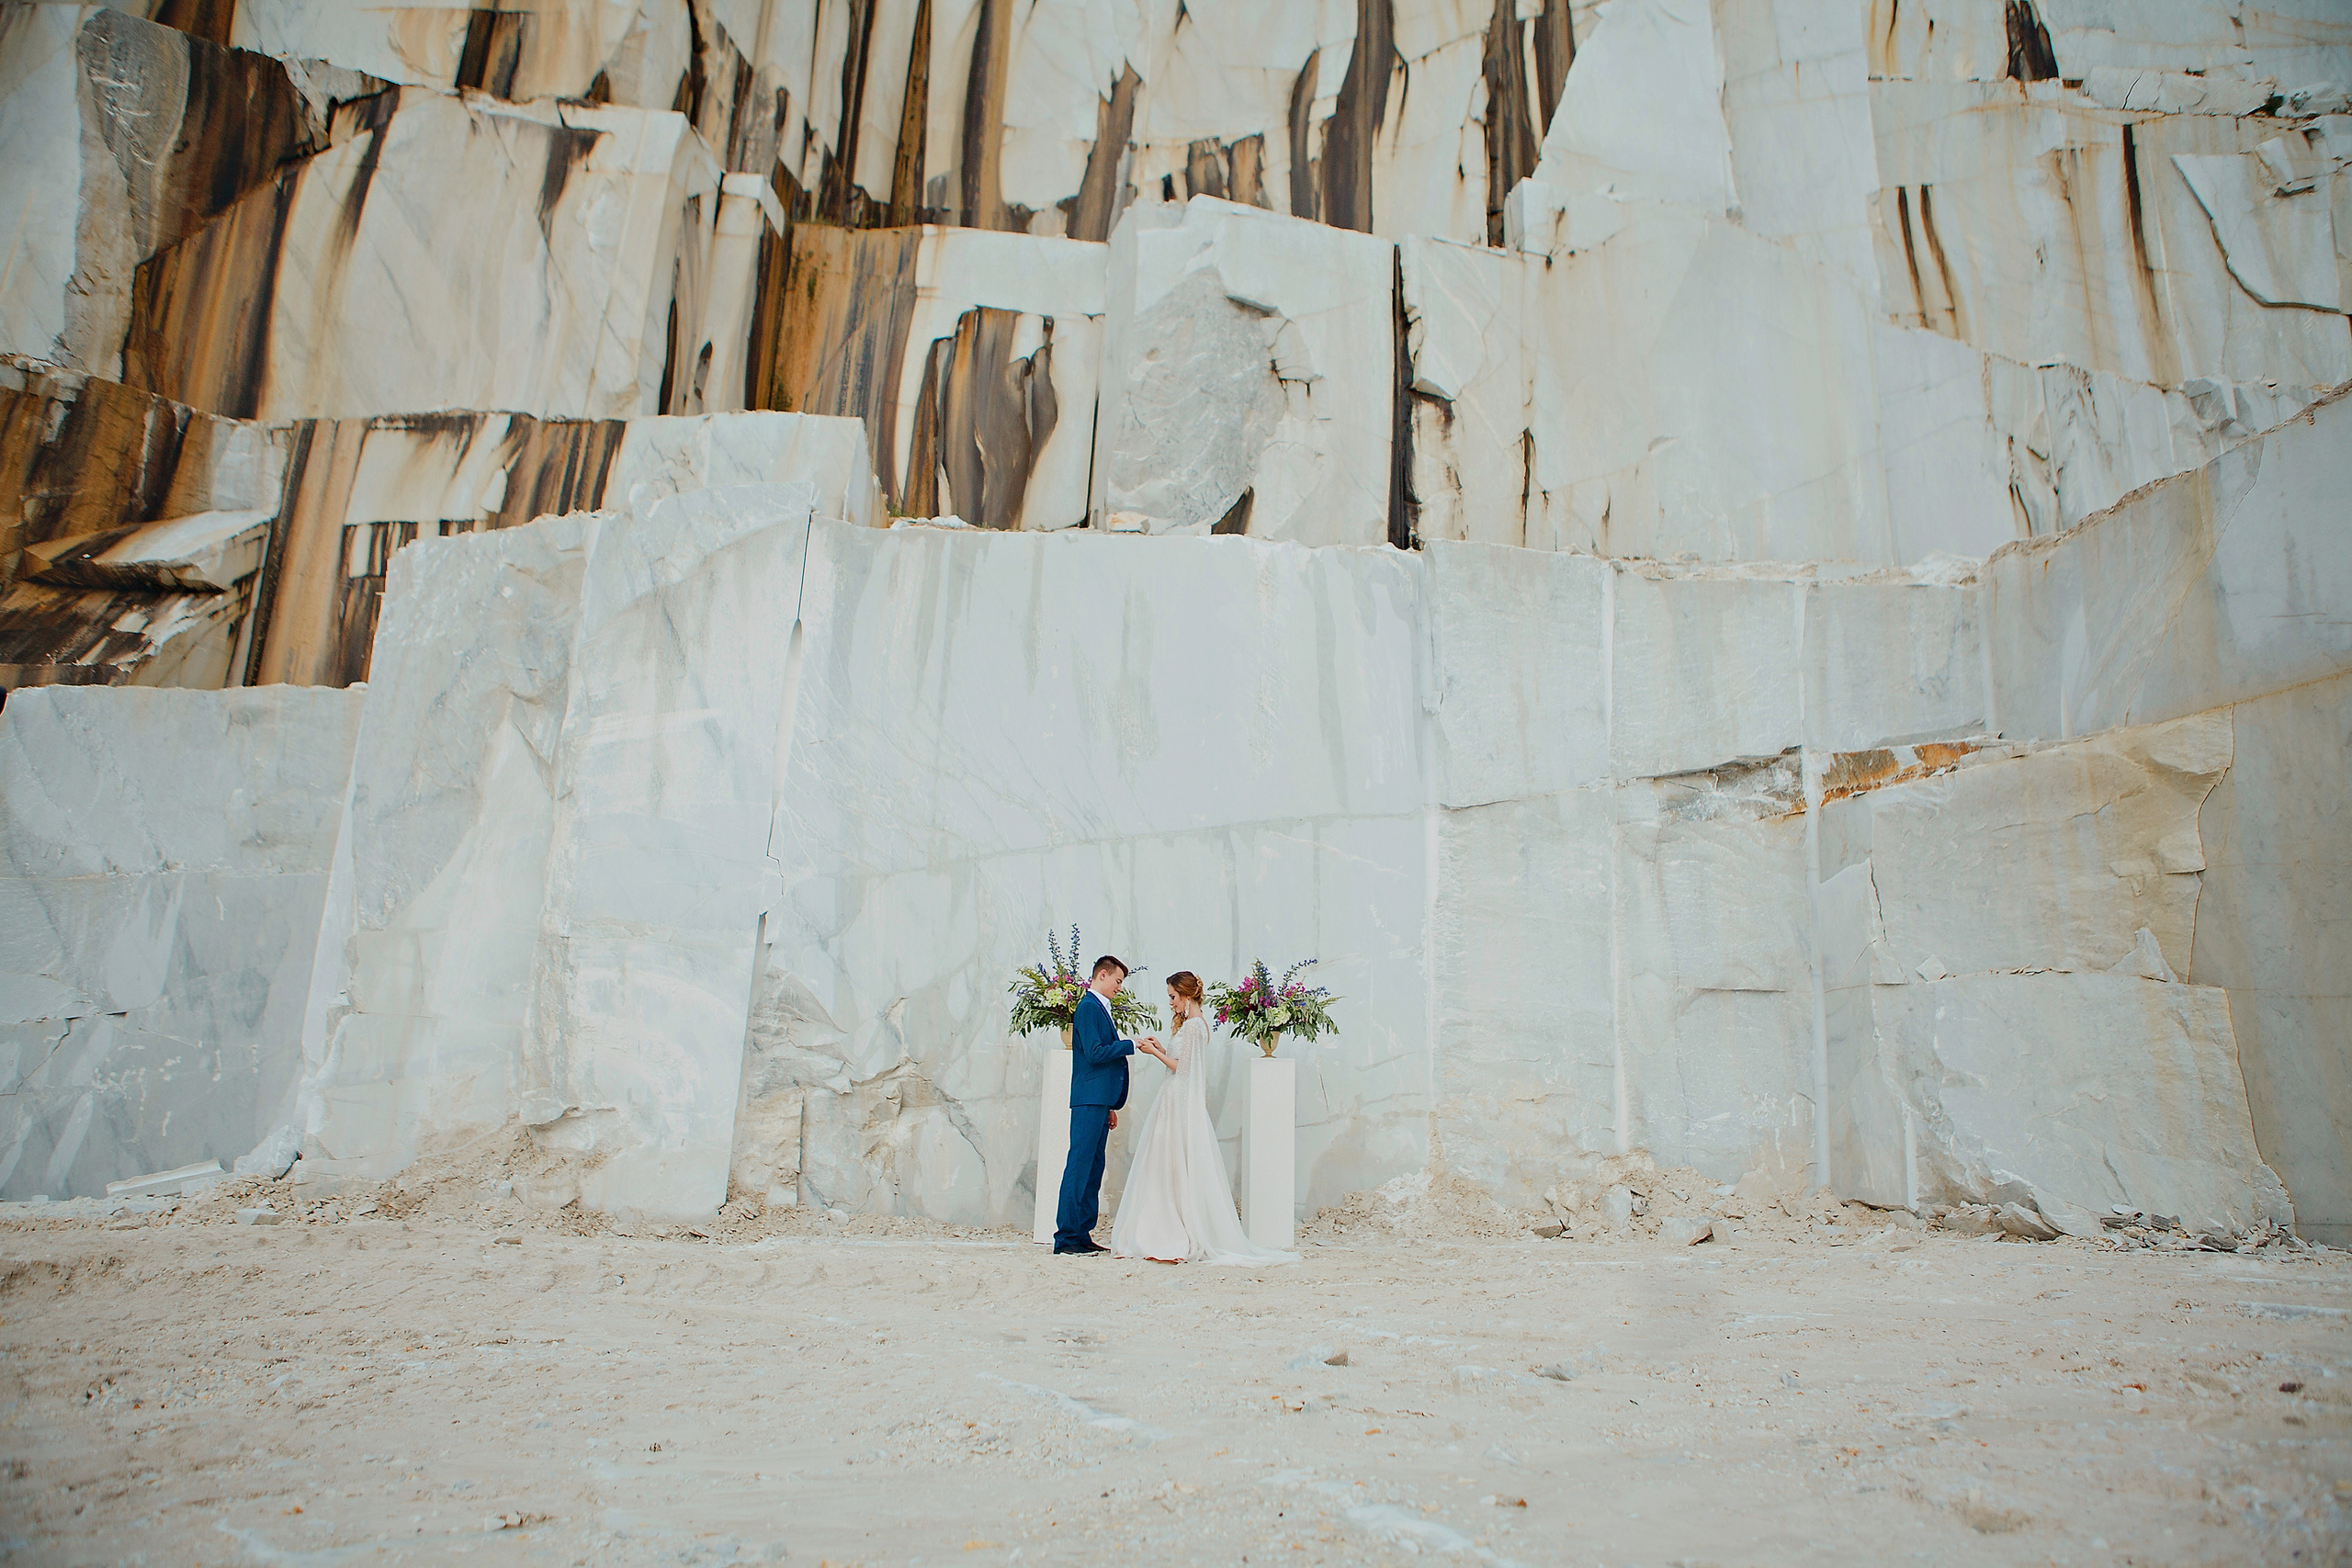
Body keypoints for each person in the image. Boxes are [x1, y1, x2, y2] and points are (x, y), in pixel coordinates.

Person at [1110, 971, 1296, 1265]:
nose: (1170, 1003)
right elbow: (1182, 1065)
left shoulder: (1195, 1027)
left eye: (1172, 997)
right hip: (1172, 1099)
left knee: (1172, 1163)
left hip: (1177, 1101)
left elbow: (1182, 1070)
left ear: (1186, 996)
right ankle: (1159, 1227)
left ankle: (1173, 1232)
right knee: (1165, 1165)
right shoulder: (1191, 1026)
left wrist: (1153, 1053)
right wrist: (1159, 1047)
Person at [1054, 954, 1159, 1255]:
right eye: (1118, 981)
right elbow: (1096, 1053)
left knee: (1093, 1169)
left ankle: (1082, 1234)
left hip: (1099, 1102)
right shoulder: (1088, 1007)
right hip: (1088, 1101)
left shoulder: (1100, 1008)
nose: (1119, 987)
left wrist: (1110, 1105)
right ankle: (1066, 1238)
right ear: (1102, 975)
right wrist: (1131, 1044)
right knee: (1079, 1167)